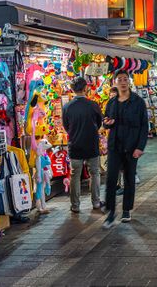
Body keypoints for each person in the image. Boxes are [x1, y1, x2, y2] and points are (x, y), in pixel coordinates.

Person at [102, 71, 149, 228]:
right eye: (119, 80)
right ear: (115, 83)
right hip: (115, 146)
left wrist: (140, 147)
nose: (122, 82)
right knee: (111, 178)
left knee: (129, 179)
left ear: (129, 82)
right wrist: (107, 123)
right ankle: (110, 212)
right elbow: (105, 121)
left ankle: (127, 209)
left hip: (131, 146)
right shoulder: (112, 103)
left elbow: (144, 125)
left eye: (125, 79)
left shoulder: (138, 102)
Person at [62, 77, 103, 213]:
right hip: (91, 144)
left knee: (75, 175)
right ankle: (96, 202)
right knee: (95, 173)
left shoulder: (67, 107)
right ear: (85, 88)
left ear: (72, 89)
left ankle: (75, 206)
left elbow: (66, 126)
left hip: (75, 145)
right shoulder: (93, 105)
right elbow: (99, 123)